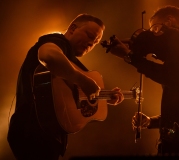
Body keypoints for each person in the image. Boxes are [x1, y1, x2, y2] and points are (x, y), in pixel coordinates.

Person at [7, 13, 124, 160]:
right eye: (89, 35)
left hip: (45, 135)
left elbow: (70, 94)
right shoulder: (57, 41)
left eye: (95, 42)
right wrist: (84, 81)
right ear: (73, 28)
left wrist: (104, 96)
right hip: (33, 132)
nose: (90, 43)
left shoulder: (71, 63)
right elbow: (48, 55)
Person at [107, 5, 179, 155]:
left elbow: (172, 77)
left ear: (169, 21)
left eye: (155, 28)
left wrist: (130, 57)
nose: (153, 35)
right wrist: (151, 122)